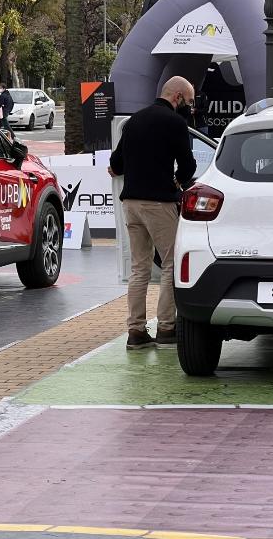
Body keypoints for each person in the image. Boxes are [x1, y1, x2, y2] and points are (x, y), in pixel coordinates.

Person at [109, 76, 197, 350]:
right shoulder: (176, 124)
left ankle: (135, 331)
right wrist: (178, 181)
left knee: (139, 268)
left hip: (131, 203)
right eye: (189, 102)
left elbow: (116, 163)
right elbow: (188, 166)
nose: (190, 108)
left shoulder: (134, 121)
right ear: (178, 97)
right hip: (159, 204)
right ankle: (166, 327)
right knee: (171, 264)